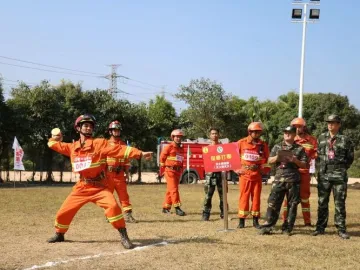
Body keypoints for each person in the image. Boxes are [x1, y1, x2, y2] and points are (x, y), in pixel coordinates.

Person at [47, 114, 153, 249]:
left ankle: (124, 236)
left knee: (114, 207)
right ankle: (60, 234)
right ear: (78, 128)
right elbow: (53, 145)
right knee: (63, 212)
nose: (88, 128)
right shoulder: (72, 147)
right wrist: (55, 138)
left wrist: (140, 153)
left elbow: (119, 149)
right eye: (85, 125)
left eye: (91, 126)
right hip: (82, 186)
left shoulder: (100, 143)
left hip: (99, 187)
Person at [259, 126, 307, 235]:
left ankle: (287, 228)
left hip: (293, 179)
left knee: (292, 205)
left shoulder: (300, 148)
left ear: (295, 134)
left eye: (289, 132)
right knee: (273, 203)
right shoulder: (277, 146)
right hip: (279, 178)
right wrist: (277, 157)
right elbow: (269, 160)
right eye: (285, 132)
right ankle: (268, 226)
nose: (287, 134)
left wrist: (295, 160)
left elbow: (304, 164)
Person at [312, 115, 354, 239]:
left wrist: (341, 168)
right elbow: (318, 155)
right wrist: (321, 169)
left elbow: (350, 157)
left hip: (339, 175)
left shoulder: (345, 139)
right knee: (322, 202)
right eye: (329, 122)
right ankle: (320, 228)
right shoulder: (321, 138)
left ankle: (341, 229)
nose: (330, 125)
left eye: (333, 122)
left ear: (339, 124)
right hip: (324, 175)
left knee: (339, 203)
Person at [282, 117, 317, 226]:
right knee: (288, 197)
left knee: (304, 197)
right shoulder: (289, 139)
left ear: (304, 127)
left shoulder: (311, 140)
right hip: (291, 172)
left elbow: (316, 154)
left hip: (304, 172)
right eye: (295, 127)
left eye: (299, 126)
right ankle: (285, 220)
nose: (297, 129)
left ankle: (307, 221)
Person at [236, 122, 270, 229]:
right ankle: (242, 221)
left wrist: (264, 170)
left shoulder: (263, 145)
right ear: (249, 132)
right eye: (254, 132)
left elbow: (267, 160)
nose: (256, 134)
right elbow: (233, 156)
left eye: (258, 132)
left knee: (256, 198)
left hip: (257, 175)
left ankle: (255, 220)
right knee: (244, 198)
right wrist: (236, 169)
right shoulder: (241, 143)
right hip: (244, 175)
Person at [106, 120, 137, 223]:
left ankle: (128, 215)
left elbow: (126, 159)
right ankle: (109, 216)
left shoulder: (123, 144)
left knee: (124, 196)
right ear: (110, 131)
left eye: (118, 130)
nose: (117, 132)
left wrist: (127, 172)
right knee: (108, 196)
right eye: (115, 130)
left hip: (120, 175)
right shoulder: (105, 144)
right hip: (108, 175)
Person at [159, 129, 186, 216]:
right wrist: (164, 168)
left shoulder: (181, 148)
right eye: (177, 137)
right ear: (173, 137)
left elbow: (181, 160)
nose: (178, 138)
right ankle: (177, 208)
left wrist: (181, 169)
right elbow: (162, 157)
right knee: (174, 190)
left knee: (170, 190)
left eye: (180, 137)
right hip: (170, 171)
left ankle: (165, 208)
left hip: (177, 171)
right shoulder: (169, 147)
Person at [202, 128, 224, 221]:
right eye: (212, 133)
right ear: (209, 136)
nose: (214, 135)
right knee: (208, 195)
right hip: (210, 175)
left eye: (216, 133)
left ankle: (224, 214)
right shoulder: (207, 149)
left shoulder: (223, 147)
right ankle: (206, 214)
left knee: (223, 196)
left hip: (221, 175)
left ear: (219, 135)